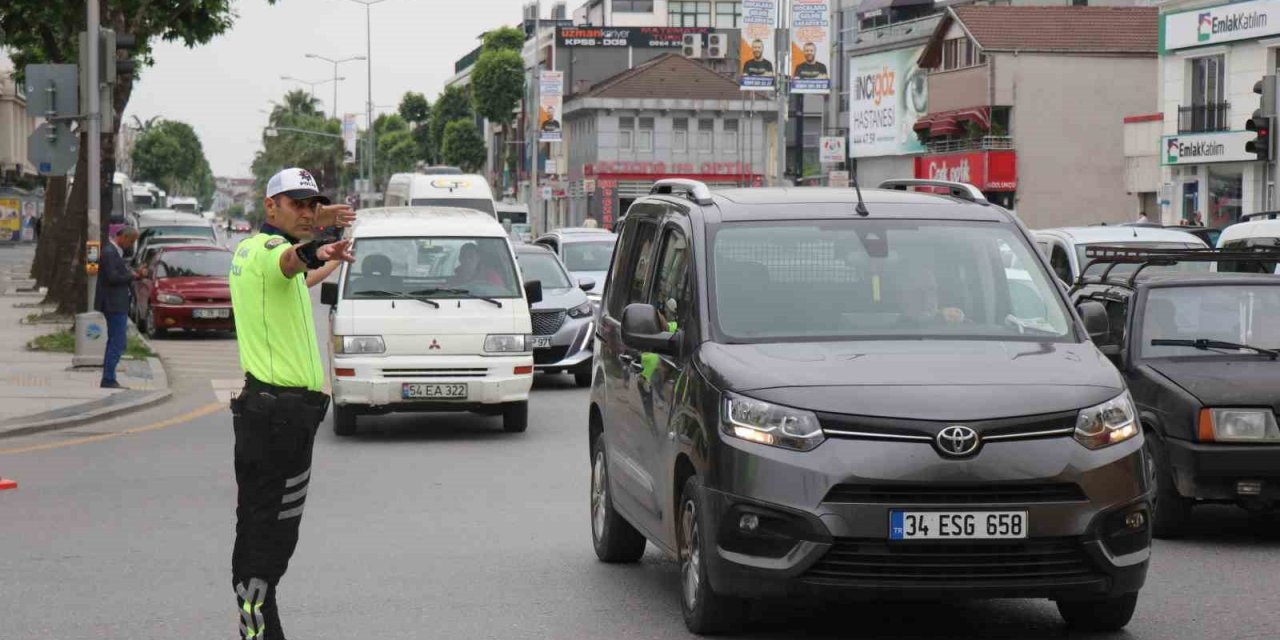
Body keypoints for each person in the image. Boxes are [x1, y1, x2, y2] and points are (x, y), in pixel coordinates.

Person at [228, 167, 355, 640]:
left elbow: (298, 277)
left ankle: (260, 627)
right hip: (276, 418)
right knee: (266, 542)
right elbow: (290, 261)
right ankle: (257, 632)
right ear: (270, 207)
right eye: (295, 204)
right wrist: (315, 245)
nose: (305, 212)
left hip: (284, 418)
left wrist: (331, 257)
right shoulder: (267, 251)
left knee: (271, 535)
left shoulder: (261, 260)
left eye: (311, 205)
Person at [95, 226, 144, 389]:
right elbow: (112, 277)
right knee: (118, 341)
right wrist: (132, 275)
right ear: (122, 237)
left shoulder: (114, 252)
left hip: (117, 303)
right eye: (130, 241)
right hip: (113, 303)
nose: (130, 245)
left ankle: (109, 376)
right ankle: (108, 378)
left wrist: (133, 273)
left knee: (115, 341)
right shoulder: (110, 252)